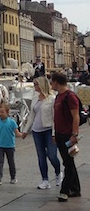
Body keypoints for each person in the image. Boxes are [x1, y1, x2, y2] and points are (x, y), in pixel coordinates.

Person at [20, 76, 61, 189]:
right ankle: (45, 180)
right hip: (37, 131)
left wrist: (54, 133)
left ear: (42, 85)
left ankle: (58, 173)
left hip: (48, 130)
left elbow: (54, 118)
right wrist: (25, 130)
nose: (34, 87)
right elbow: (32, 115)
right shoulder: (35, 97)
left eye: (36, 84)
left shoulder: (52, 98)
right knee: (41, 156)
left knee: (52, 155)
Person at [51, 72, 81, 202]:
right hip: (59, 134)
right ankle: (75, 188)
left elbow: (76, 116)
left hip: (68, 134)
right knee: (68, 162)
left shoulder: (70, 96)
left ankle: (65, 191)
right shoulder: (58, 96)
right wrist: (55, 134)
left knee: (68, 163)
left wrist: (74, 134)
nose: (50, 84)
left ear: (57, 82)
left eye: (51, 82)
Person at [0, 101, 23, 185]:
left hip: (10, 145)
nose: (0, 114)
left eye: (2, 112)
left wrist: (23, 135)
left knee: (11, 162)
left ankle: (13, 177)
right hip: (0, 145)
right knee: (0, 162)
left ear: (7, 112)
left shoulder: (12, 122)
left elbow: (16, 132)